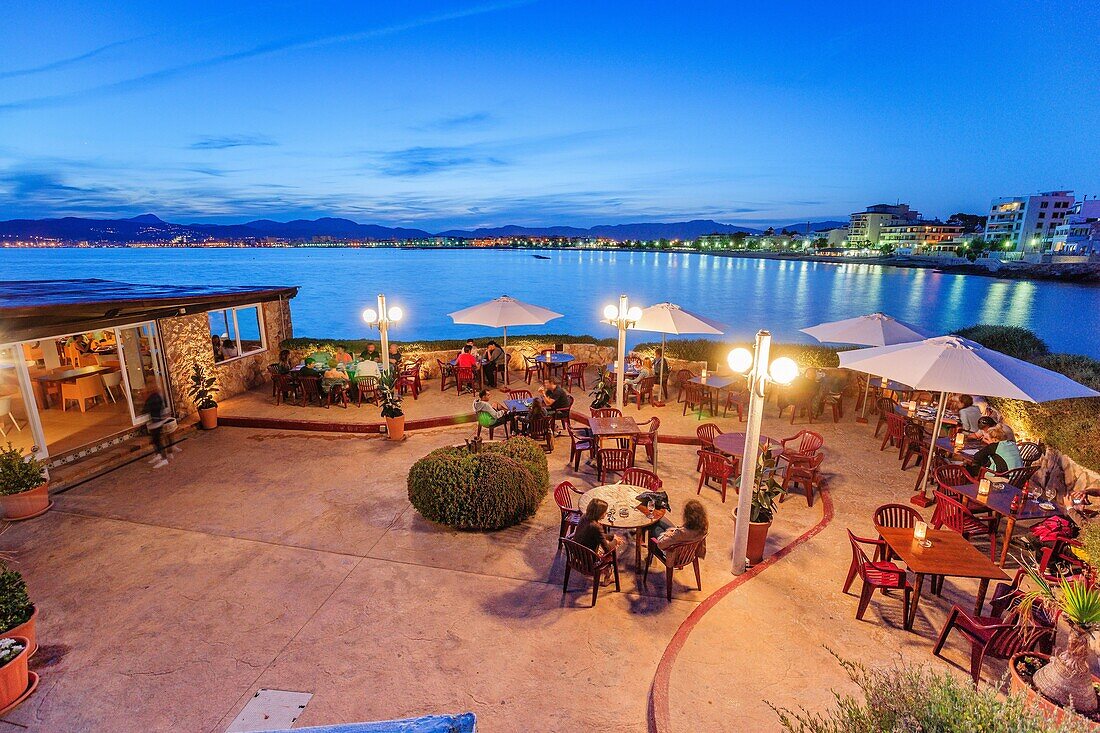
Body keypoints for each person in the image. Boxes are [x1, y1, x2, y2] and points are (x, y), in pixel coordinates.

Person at [572, 498, 624, 585]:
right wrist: (615, 541)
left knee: (609, 542)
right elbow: (607, 549)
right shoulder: (596, 527)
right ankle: (608, 576)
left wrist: (612, 537)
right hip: (588, 558)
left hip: (577, 552)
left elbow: (598, 536)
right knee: (612, 551)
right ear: (599, 513)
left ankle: (608, 573)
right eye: (604, 512)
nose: (606, 513)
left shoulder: (584, 516)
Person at [143, 383, 170, 469]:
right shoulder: (155, 396)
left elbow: (148, 408)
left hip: (157, 421)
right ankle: (159, 455)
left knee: (157, 440)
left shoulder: (154, 397)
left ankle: (164, 458)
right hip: (155, 421)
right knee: (155, 440)